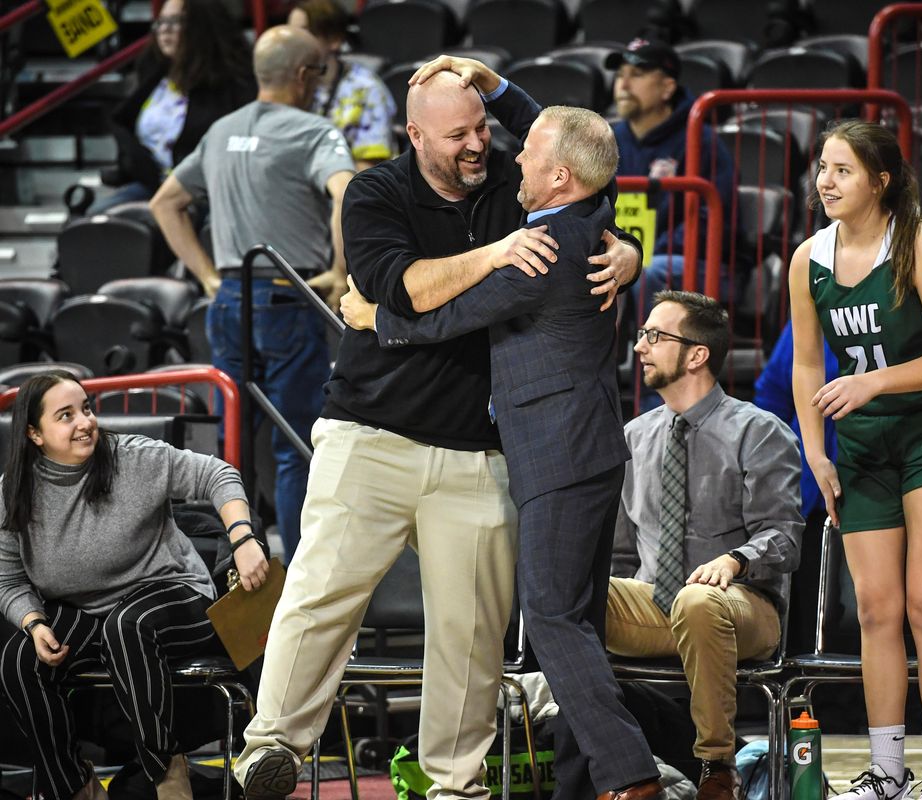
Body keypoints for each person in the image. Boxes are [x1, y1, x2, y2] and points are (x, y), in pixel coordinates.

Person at [230, 55, 643, 800]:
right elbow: (404, 291)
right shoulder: (374, 192)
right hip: (370, 434)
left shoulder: (515, 188)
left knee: (472, 636)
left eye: (482, 128)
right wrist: (494, 254)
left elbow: (574, 159)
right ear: (414, 135)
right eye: (457, 134)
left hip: (478, 453)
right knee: (319, 594)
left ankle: (456, 785)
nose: (478, 145)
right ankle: (272, 748)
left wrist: (628, 254)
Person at [340, 104, 665, 800]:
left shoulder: (543, 248)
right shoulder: (591, 221)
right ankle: (587, 782)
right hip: (585, 448)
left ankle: (631, 775)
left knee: (550, 620)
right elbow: (590, 155)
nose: (513, 158)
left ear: (557, 176)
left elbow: (450, 316)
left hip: (558, 452)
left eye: (529, 155)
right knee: (577, 623)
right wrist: (501, 89)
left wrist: (375, 318)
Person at [789, 119, 922, 800]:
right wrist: (815, 451)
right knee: (876, 610)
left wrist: (873, 380)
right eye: (821, 168)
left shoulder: (920, 243)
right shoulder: (808, 257)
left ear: (880, 181)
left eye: (842, 169)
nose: (825, 181)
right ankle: (886, 770)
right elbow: (809, 362)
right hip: (863, 444)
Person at [0, 371, 269, 800]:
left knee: (127, 626)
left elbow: (217, 475)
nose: (85, 422)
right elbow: (9, 579)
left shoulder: (133, 458)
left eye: (86, 408)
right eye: (65, 416)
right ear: (34, 433)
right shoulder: (14, 490)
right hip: (85, 609)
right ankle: (73, 784)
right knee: (18, 660)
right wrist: (33, 622)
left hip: (173, 594)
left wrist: (242, 537)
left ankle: (166, 771)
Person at [150, 25, 356, 564]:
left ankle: (240, 577)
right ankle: (303, 583)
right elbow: (346, 192)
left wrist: (209, 277)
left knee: (235, 449)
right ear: (305, 75)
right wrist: (338, 269)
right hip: (288, 298)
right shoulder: (313, 130)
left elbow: (165, 203)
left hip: (228, 302)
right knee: (295, 450)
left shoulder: (219, 131)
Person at [608, 290, 803, 800]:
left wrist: (735, 560)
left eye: (655, 335)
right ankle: (606, 759)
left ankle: (718, 767)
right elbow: (624, 554)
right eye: (642, 334)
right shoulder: (632, 437)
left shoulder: (759, 431)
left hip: (745, 608)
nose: (641, 346)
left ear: (697, 354)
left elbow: (785, 538)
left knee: (698, 600)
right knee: (562, 592)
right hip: (655, 605)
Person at [606, 37, 736, 407]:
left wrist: (642, 255)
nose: (624, 84)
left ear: (667, 86)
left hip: (693, 264)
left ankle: (653, 400)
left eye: (638, 74)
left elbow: (717, 218)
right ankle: (599, 390)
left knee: (651, 271)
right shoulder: (610, 140)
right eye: (620, 75)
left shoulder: (702, 140)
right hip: (630, 259)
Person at [756, 320, 922, 519]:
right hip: (824, 483)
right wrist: (805, 453)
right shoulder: (816, 307)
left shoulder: (917, 307)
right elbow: (772, 397)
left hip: (919, 462)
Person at [93, 0, 254, 213]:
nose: (165, 30)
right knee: (95, 221)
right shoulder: (152, 70)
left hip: (209, 192)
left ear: (203, 26)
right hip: (153, 186)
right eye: (161, 22)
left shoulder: (235, 81)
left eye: (177, 21)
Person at [287, 0, 397, 170]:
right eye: (290, 32)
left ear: (334, 40)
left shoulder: (366, 88)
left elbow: (369, 170)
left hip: (348, 187)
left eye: (304, 32)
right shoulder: (288, 85)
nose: (292, 41)